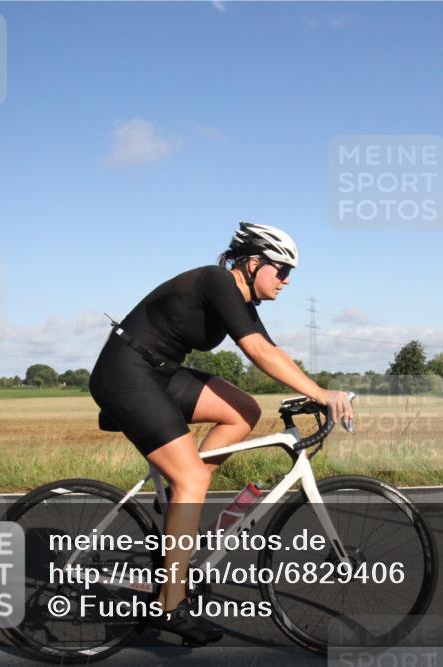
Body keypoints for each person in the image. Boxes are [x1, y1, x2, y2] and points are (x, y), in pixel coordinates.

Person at [89, 222, 354, 645]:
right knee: (191, 476)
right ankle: (169, 606)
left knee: (243, 410)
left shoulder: (242, 301)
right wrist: (321, 393)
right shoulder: (216, 280)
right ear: (252, 263)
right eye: (281, 271)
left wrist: (312, 392)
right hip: (126, 373)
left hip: (160, 374)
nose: (286, 281)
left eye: (290, 274)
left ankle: (185, 507)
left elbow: (272, 350)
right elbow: (258, 351)